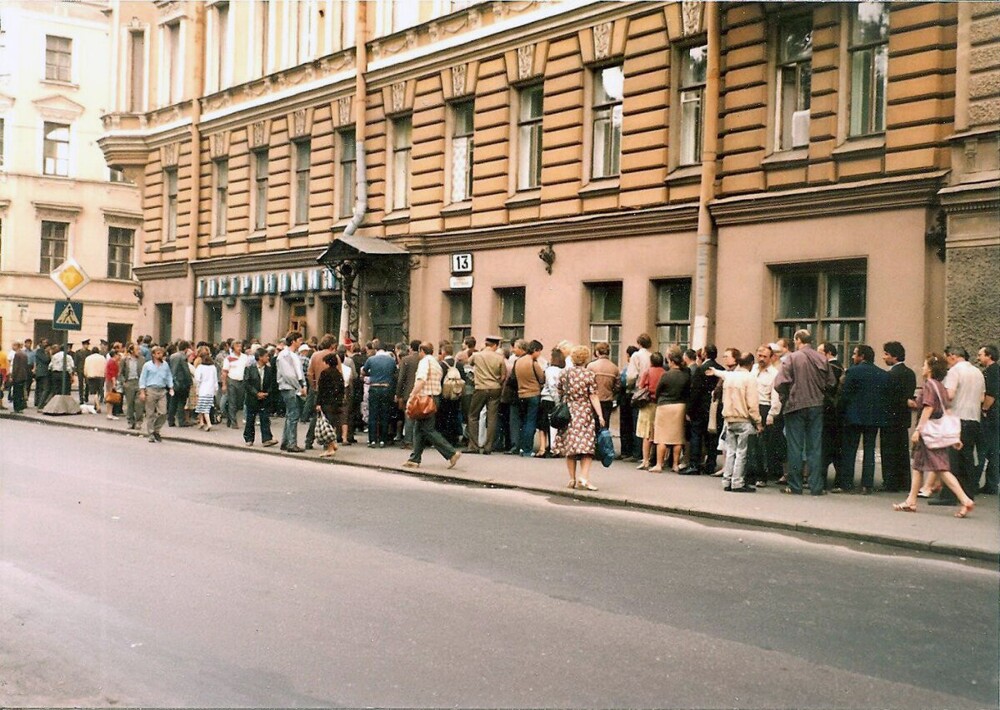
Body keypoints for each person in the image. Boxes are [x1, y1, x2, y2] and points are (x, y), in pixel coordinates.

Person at [892, 353, 975, 518]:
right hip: (935, 432)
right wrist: (954, 436)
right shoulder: (940, 386)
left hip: (929, 434)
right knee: (917, 466)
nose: (922, 368)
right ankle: (911, 501)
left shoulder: (929, 385)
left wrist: (918, 430)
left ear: (930, 369)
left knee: (942, 469)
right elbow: (947, 409)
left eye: (924, 365)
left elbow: (928, 408)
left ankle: (965, 500)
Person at [773, 329, 837, 496]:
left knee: (795, 446)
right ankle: (816, 487)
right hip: (816, 405)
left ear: (798, 340)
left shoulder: (792, 358)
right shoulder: (822, 358)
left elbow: (780, 383)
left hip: (795, 405)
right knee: (815, 447)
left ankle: (795, 486)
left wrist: (785, 397)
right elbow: (831, 382)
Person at [929, 345, 985, 506]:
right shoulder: (978, 372)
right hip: (973, 418)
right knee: (967, 457)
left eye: (947, 358)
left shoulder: (954, 371)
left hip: (957, 418)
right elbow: (981, 398)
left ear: (952, 356)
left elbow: (950, 395)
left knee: (951, 458)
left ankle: (949, 495)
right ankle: (968, 492)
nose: (947, 362)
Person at [836, 344, 889, 494]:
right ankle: (867, 484)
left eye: (855, 354)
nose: (853, 357)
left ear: (862, 356)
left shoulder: (853, 371)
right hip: (873, 418)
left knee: (850, 450)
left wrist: (842, 411)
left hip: (853, 417)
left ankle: (847, 483)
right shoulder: (882, 374)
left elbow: (845, 395)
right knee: (869, 450)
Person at [402, 342, 462, 470]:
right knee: (419, 429)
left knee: (428, 429)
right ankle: (414, 459)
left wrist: (412, 395)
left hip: (425, 398)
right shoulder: (436, 363)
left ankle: (451, 453)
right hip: (435, 397)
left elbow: (421, 380)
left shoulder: (424, 362)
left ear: (421, 350)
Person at [553, 345, 605, 490]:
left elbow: (560, 392)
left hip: (568, 412)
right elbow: (593, 396)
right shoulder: (589, 374)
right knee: (586, 447)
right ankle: (584, 477)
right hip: (584, 413)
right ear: (585, 359)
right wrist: (600, 415)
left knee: (570, 447)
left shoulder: (564, 373)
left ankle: (572, 479)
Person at [721, 351, 762, 492]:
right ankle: (737, 482)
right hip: (743, 419)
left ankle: (727, 480)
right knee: (741, 452)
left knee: (731, 451)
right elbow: (752, 403)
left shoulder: (730, 377)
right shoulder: (750, 378)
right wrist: (758, 422)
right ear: (751, 364)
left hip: (729, 418)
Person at [881, 341, 917, 493]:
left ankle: (890, 482)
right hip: (903, 418)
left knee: (888, 451)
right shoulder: (910, 373)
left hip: (889, 418)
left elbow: (888, 397)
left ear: (894, 356)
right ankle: (904, 481)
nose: (884, 357)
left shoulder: (890, 375)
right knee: (902, 450)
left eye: (886, 354)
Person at [683, 344, 721, 475]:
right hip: (714, 406)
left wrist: (689, 410)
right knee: (712, 437)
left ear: (704, 354)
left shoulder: (701, 369)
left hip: (700, 407)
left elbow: (695, 391)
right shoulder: (720, 369)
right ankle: (711, 463)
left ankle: (695, 464)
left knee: (696, 435)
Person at [651, 350, 690, 473]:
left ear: (672, 361)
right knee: (677, 438)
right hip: (680, 406)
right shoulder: (685, 375)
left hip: (664, 406)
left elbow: (658, 391)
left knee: (661, 437)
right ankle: (675, 464)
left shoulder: (666, 375)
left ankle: (659, 464)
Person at [747, 344, 781, 487]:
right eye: (759, 356)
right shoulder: (753, 370)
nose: (761, 359)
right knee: (749, 442)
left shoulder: (774, 374)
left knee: (762, 445)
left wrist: (771, 414)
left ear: (771, 357)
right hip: (750, 406)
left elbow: (776, 396)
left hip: (764, 407)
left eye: (764, 357)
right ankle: (749, 475)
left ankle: (762, 476)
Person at [466, 335, 506, 454]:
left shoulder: (477, 355)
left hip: (480, 387)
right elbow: (503, 375)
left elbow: (469, 363)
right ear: (495, 345)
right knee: (492, 417)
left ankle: (473, 446)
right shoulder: (500, 358)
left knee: (473, 416)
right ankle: (488, 447)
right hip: (495, 388)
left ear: (486, 344)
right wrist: (497, 382)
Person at [817, 342, 845, 486]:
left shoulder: (830, 368)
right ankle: (838, 480)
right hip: (838, 413)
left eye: (819, 352)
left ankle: (822, 480)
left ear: (827, 353)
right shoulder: (841, 367)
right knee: (836, 448)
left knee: (826, 447)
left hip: (827, 411)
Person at [514, 339, 546, 456]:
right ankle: (528, 449)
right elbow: (542, 378)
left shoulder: (518, 361)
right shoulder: (533, 363)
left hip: (521, 394)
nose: (539, 354)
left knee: (523, 422)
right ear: (535, 350)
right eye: (539, 352)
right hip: (533, 394)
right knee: (531, 422)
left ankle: (522, 447)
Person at [361, 341, 397, 448]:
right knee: (385, 414)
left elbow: (364, 371)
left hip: (374, 387)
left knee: (373, 414)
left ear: (376, 349)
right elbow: (394, 372)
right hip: (386, 388)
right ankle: (383, 440)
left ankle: (372, 440)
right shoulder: (391, 360)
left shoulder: (371, 359)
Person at [276, 331, 307, 452]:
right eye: (299, 340)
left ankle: (286, 441)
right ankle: (291, 443)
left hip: (293, 386)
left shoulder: (294, 355)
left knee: (290, 414)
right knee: (293, 415)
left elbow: (299, 372)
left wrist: (303, 384)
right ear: (293, 341)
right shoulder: (284, 355)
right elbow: (288, 374)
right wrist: (299, 387)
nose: (301, 342)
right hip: (289, 387)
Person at [625, 334, 653, 462]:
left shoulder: (636, 355)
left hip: (638, 390)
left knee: (637, 422)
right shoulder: (651, 355)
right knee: (647, 422)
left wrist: (628, 387)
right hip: (649, 390)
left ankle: (637, 452)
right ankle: (646, 453)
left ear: (639, 343)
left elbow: (631, 375)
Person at [634, 351, 665, 471]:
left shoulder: (647, 372)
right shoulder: (664, 372)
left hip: (647, 404)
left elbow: (641, 386)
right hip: (659, 404)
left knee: (646, 434)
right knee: (657, 432)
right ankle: (657, 459)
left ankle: (646, 460)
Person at [244, 347, 278, 447]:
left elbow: (272, 383)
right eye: (266, 356)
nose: (268, 357)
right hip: (252, 398)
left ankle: (266, 439)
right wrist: (256, 393)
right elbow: (247, 383)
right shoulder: (250, 369)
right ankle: (249, 438)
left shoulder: (269, 369)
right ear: (259, 357)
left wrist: (267, 393)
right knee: (250, 418)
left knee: (265, 418)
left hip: (265, 397)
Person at [587, 341, 621, 444]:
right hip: (607, 400)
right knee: (604, 425)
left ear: (597, 352)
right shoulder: (614, 368)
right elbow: (618, 386)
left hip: (592, 400)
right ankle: (602, 448)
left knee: (592, 424)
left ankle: (592, 446)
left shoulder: (591, 366)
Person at [138, 346, 174, 443]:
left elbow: (168, 376)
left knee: (163, 412)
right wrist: (142, 391)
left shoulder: (165, 365)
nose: (160, 355)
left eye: (161, 353)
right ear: (153, 355)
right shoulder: (147, 365)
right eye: (158, 353)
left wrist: (171, 387)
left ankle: (156, 429)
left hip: (162, 390)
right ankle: (151, 433)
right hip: (151, 389)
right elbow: (143, 378)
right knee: (150, 413)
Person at [977, 345, 999, 495]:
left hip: (990, 415)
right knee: (994, 451)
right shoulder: (996, 371)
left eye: (980, 355)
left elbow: (991, 394)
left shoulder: (991, 372)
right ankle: (992, 484)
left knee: (983, 449)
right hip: (996, 416)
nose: (978, 358)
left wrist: (984, 409)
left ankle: (976, 481)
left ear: (989, 356)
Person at [316, 351, 346, 458]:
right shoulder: (339, 374)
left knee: (326, 425)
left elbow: (321, 390)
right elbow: (342, 389)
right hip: (336, 402)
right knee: (332, 424)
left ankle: (329, 448)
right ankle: (333, 444)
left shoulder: (324, 373)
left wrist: (318, 403)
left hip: (326, 402)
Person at [539, 347, 565, 458]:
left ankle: (542, 448)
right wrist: (559, 401)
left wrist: (556, 400)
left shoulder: (549, 370)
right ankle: (554, 447)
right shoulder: (562, 371)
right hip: (557, 399)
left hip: (547, 399)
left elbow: (551, 386)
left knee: (542, 425)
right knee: (555, 425)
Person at [396, 339, 422, 448]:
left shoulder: (406, 360)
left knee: (409, 417)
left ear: (410, 348)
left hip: (408, 392)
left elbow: (401, 378)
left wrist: (398, 394)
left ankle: (408, 441)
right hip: (421, 392)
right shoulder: (423, 359)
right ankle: (419, 441)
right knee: (420, 418)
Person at [222, 339, 249, 429]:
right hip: (232, 380)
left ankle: (230, 417)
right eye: (237, 346)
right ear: (233, 347)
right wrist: (224, 384)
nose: (239, 348)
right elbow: (225, 372)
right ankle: (234, 422)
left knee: (239, 402)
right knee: (232, 402)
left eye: (240, 346)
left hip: (241, 381)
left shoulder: (245, 357)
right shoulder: (229, 358)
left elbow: (247, 369)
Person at [120, 343, 146, 429]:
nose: (139, 351)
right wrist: (124, 382)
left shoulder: (142, 360)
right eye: (137, 349)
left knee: (139, 403)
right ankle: (130, 421)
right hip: (129, 383)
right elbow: (120, 373)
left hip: (139, 382)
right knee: (130, 403)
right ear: (131, 351)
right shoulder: (125, 360)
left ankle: (139, 421)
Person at [168, 341, 193, 427]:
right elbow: (186, 370)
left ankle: (170, 420)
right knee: (181, 402)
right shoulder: (183, 357)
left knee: (173, 401)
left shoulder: (172, 356)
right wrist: (190, 381)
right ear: (186, 348)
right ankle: (181, 421)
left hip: (173, 381)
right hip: (182, 382)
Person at [194, 347, 218, 431]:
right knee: (203, 406)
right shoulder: (213, 368)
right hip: (211, 390)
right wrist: (215, 389)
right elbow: (215, 379)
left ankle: (208, 423)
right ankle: (201, 422)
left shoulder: (200, 367)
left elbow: (197, 379)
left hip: (202, 390)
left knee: (204, 408)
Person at [84, 347, 107, 413]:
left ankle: (97, 405)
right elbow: (105, 366)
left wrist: (86, 374)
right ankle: (96, 404)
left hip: (91, 376)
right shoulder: (102, 358)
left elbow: (85, 368)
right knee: (99, 390)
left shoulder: (88, 358)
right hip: (101, 376)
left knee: (94, 392)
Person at [9, 342, 29, 414]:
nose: (12, 347)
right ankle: (20, 408)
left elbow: (15, 367)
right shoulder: (24, 354)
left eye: (13, 345)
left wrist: (12, 376)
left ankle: (16, 409)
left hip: (17, 376)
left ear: (17, 346)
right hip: (23, 376)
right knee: (21, 393)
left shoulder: (17, 354)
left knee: (16, 393)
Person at [104, 347, 122, 420]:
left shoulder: (110, 361)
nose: (119, 356)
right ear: (115, 355)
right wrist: (114, 384)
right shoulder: (113, 362)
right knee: (110, 398)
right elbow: (113, 374)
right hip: (111, 381)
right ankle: (109, 413)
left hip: (109, 380)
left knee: (110, 397)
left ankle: (110, 413)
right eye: (118, 355)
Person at [33, 339, 50, 408]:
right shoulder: (39, 351)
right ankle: (40, 404)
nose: (45, 344)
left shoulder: (42, 351)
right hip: (42, 373)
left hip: (42, 372)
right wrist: (49, 354)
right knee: (44, 389)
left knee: (40, 389)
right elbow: (45, 360)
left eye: (46, 342)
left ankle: (38, 402)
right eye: (44, 343)